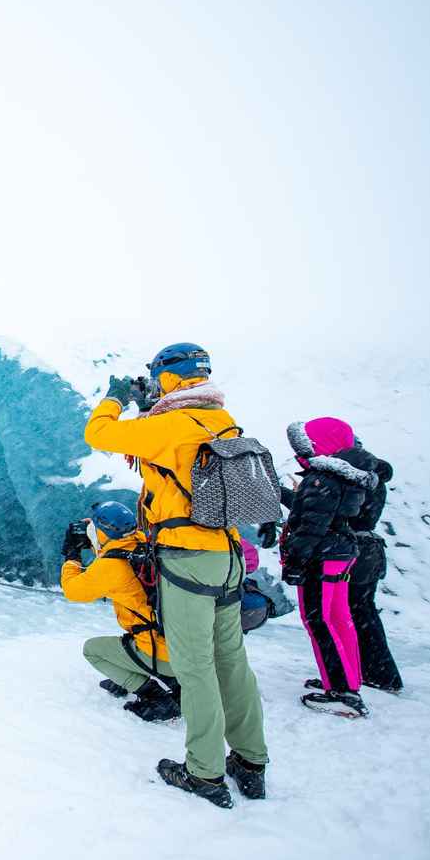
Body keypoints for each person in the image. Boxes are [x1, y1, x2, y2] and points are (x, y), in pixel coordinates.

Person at [85, 343, 268, 808]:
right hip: (227, 554)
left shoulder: (169, 425)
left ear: (168, 377)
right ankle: (250, 762)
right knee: (231, 661)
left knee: (194, 667)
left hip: (188, 558)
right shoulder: (218, 418)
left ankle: (204, 773)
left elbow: (99, 434)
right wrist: (151, 410)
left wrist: (115, 398)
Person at [279, 418, 379, 717]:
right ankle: (347, 678)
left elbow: (311, 524)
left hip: (322, 554)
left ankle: (342, 692)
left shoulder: (322, 478)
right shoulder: (345, 477)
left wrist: (296, 561)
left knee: (320, 621)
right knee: (339, 618)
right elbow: (315, 511)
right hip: (339, 551)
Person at [59, 501, 179, 721]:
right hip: (182, 645)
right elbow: (116, 547)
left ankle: (155, 697)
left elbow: (72, 590)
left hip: (160, 653)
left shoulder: (112, 567)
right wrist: (97, 537)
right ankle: (175, 682)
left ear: (103, 532)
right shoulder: (146, 543)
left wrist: (72, 554)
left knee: (92, 650)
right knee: (141, 633)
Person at [344, 441, 402, 692]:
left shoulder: (357, 478)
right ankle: (379, 671)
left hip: (354, 552)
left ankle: (375, 672)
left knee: (353, 614)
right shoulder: (373, 478)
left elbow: (343, 513)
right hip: (370, 552)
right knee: (363, 613)